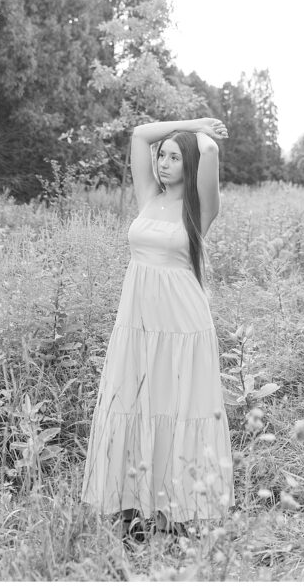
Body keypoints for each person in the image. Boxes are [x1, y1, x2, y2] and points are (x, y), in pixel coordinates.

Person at [81, 117, 235, 543]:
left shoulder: (200, 208)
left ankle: (174, 510)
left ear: (187, 162)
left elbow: (210, 151)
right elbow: (139, 134)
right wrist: (192, 122)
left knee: (178, 405)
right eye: (161, 156)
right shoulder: (148, 195)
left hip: (183, 324)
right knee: (136, 400)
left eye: (172, 157)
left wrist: (200, 136)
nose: (163, 163)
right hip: (138, 324)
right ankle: (132, 502)